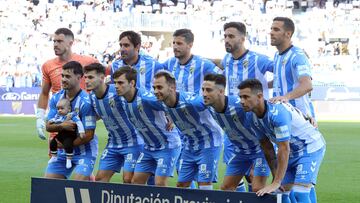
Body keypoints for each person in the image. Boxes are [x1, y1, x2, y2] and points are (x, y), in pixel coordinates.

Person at [238, 79, 326, 203]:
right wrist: (275, 178)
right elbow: (267, 148)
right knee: (282, 194)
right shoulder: (250, 116)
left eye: (246, 97)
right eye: (240, 97)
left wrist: (277, 182)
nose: (242, 101)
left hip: (309, 147)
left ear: (259, 96)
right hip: (291, 153)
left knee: (299, 193)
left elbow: (283, 148)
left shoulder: (277, 113)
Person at [222, 21, 274, 191]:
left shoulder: (258, 59)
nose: (226, 40)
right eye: (225, 36)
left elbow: (281, 70)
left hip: (257, 128)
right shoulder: (227, 60)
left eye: (231, 36)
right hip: (234, 128)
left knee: (255, 181)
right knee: (232, 182)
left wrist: (268, 87)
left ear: (243, 39)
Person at [153, 71, 223, 190]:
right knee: (182, 184)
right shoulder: (163, 102)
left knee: (204, 184)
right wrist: (171, 118)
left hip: (209, 143)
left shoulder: (193, 101)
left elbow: (217, 102)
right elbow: (171, 110)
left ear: (172, 88)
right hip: (190, 144)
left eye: (159, 87)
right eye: (154, 87)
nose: (155, 91)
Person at [113, 66, 181, 186]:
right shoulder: (122, 99)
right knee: (135, 182)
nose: (116, 86)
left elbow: (169, 103)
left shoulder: (146, 98)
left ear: (132, 83)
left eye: (120, 83)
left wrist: (173, 117)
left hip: (167, 146)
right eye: (115, 83)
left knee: (160, 184)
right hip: (148, 148)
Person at [201, 74, 269, 192]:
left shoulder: (240, 105)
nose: (204, 94)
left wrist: (304, 116)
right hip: (241, 152)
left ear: (221, 92)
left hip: (260, 150)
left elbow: (266, 108)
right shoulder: (208, 105)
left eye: (208, 90)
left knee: (257, 187)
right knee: (226, 188)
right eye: (203, 90)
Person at [83, 63, 143, 183]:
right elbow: (98, 115)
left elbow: (139, 101)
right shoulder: (92, 97)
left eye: (90, 77)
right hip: (113, 144)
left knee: (128, 180)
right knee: (100, 179)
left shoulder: (118, 92)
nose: (86, 81)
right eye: (85, 77)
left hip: (133, 142)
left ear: (102, 77)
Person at [36, 27, 97, 140]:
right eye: (54, 41)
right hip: (58, 123)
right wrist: (39, 117)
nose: (55, 44)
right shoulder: (48, 66)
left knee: (81, 151)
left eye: (59, 41)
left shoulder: (88, 62)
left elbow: (104, 78)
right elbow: (44, 93)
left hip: (81, 122)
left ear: (70, 43)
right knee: (57, 152)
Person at [45, 61, 98, 180]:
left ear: (79, 78)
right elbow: (48, 126)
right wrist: (62, 126)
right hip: (63, 154)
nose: (63, 79)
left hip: (84, 152)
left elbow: (89, 134)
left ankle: (89, 180)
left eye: (68, 76)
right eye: (62, 76)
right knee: (49, 184)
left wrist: (66, 145)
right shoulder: (56, 98)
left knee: (78, 187)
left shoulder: (86, 102)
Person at [269, 17, 315, 121]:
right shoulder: (277, 55)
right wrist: (262, 84)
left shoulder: (297, 55)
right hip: (282, 115)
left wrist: (286, 97)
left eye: (276, 30)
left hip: (299, 117)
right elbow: (280, 80)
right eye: (271, 29)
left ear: (288, 34)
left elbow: (307, 85)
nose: (271, 32)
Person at [162, 29, 222, 94]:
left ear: (190, 45)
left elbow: (222, 76)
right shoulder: (169, 62)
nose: (175, 46)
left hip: (194, 104)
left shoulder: (203, 64)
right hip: (173, 103)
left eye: (179, 43)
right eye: (174, 43)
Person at [47, 98, 85, 169]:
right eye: (58, 109)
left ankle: (68, 159)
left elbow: (79, 122)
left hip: (70, 135)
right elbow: (54, 120)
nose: (59, 110)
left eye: (62, 108)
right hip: (61, 134)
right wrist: (51, 121)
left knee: (68, 144)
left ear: (69, 109)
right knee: (52, 142)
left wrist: (81, 131)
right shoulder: (58, 116)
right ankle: (54, 156)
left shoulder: (72, 115)